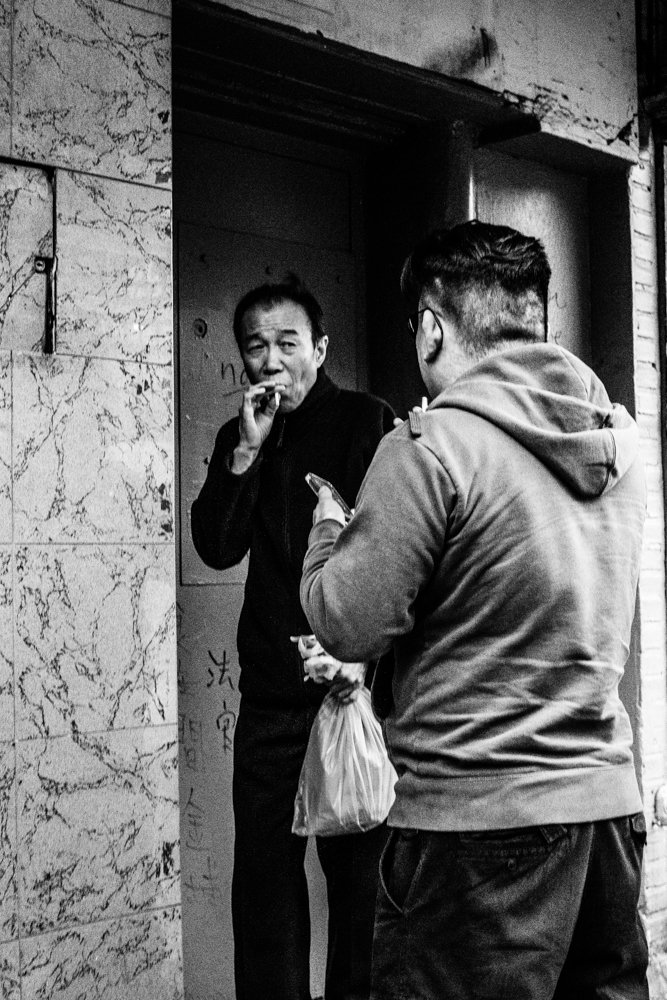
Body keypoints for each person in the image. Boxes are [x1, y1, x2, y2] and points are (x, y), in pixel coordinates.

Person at [300, 221, 648, 1000]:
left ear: (429, 326)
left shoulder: (430, 446)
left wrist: (329, 530)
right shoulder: (617, 443)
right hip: (606, 822)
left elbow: (347, 622)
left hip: (473, 831)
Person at [191, 274, 395, 1000]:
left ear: (321, 348)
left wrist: (363, 661)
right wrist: (245, 453)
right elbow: (216, 546)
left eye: (287, 343)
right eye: (256, 347)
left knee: (362, 894)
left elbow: (401, 559)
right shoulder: (240, 435)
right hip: (273, 703)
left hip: (353, 698)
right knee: (265, 891)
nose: (272, 361)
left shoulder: (370, 423)